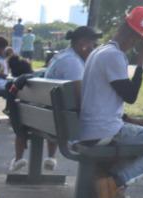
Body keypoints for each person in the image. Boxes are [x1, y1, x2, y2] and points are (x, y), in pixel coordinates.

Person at [80, 6, 143, 198]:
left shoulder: (99, 51)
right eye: (137, 38)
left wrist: (129, 118)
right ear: (130, 34)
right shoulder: (114, 55)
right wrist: (140, 63)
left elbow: (102, 98)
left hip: (91, 128)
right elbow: (130, 96)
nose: (134, 42)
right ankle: (114, 183)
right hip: (104, 130)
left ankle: (109, 184)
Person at [40, 25, 102, 170]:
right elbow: (80, 99)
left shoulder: (63, 56)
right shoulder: (73, 63)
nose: (95, 49)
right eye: (94, 45)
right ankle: (99, 183)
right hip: (63, 122)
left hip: (50, 117)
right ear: (83, 44)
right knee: (112, 136)